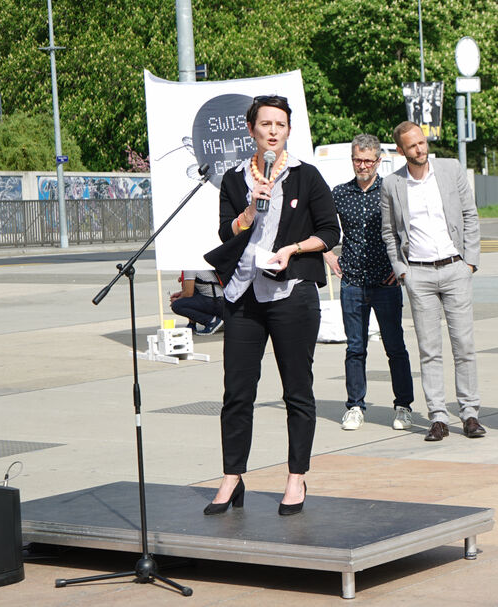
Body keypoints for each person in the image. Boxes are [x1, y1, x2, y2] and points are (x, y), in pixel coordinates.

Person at [202, 95, 339, 516]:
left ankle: (296, 477)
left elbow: (329, 231)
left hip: (292, 293)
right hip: (243, 294)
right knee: (236, 392)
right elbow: (228, 232)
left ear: (289, 131)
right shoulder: (233, 178)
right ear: (251, 130)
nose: (273, 131)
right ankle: (232, 476)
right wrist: (249, 207)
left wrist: (293, 249)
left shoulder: (305, 176)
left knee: (297, 390)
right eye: (266, 124)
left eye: (281, 124)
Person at [380, 121, 484, 441]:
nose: (420, 149)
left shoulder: (451, 169)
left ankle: (469, 413)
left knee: (464, 345)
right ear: (401, 151)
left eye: (422, 143)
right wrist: (403, 271)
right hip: (419, 273)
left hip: (455, 268)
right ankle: (438, 416)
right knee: (429, 350)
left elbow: (469, 215)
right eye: (412, 146)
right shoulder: (392, 185)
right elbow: (388, 232)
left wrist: (470, 263)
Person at [324, 134, 414, 431]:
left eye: (367, 160)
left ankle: (403, 405)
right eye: (357, 159)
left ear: (378, 161)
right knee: (355, 347)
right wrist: (328, 255)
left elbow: (409, 230)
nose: (362, 165)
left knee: (395, 345)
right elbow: (319, 225)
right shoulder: (339, 193)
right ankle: (354, 406)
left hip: (385, 281)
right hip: (352, 280)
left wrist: (401, 264)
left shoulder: (391, 190)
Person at [169, 270, 224, 335]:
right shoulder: (202, 264)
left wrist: (177, 299)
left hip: (215, 302)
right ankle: (217, 320)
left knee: (177, 305)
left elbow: (188, 293)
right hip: (222, 302)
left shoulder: (189, 268)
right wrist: (180, 294)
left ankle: (211, 321)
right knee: (192, 294)